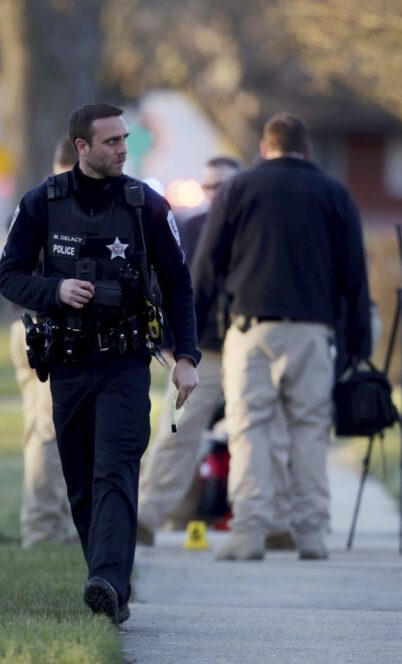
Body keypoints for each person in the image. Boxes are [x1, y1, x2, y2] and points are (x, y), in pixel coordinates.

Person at [0, 101, 200, 623]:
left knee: (116, 469)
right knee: (82, 480)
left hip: (126, 363)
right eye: (111, 142)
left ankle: (108, 579)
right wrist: (55, 289)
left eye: (125, 140)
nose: (122, 150)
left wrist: (186, 356)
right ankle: (108, 586)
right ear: (81, 147)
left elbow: (178, 284)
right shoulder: (42, 202)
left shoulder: (146, 206)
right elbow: (9, 275)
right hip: (67, 363)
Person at [194, 112, 371, 561]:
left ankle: (249, 532)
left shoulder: (238, 189)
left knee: (249, 428)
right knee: (310, 431)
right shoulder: (334, 193)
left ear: (263, 148)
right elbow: (355, 276)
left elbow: (207, 264)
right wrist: (358, 346)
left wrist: (189, 328)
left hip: (251, 329)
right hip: (313, 332)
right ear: (307, 151)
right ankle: (310, 533)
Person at [136, 157, 242, 544]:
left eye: (225, 186)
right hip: (203, 351)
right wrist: (174, 344)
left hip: (248, 346)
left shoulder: (252, 228)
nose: (216, 194)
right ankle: (148, 516)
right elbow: (170, 285)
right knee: (177, 430)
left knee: (258, 433)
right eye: (210, 186)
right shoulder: (191, 227)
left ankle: (265, 518)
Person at [10, 136, 77, 547]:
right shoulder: (48, 206)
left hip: (27, 327)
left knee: (43, 427)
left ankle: (52, 523)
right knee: (48, 431)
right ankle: (41, 527)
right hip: (42, 330)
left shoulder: (30, 203)